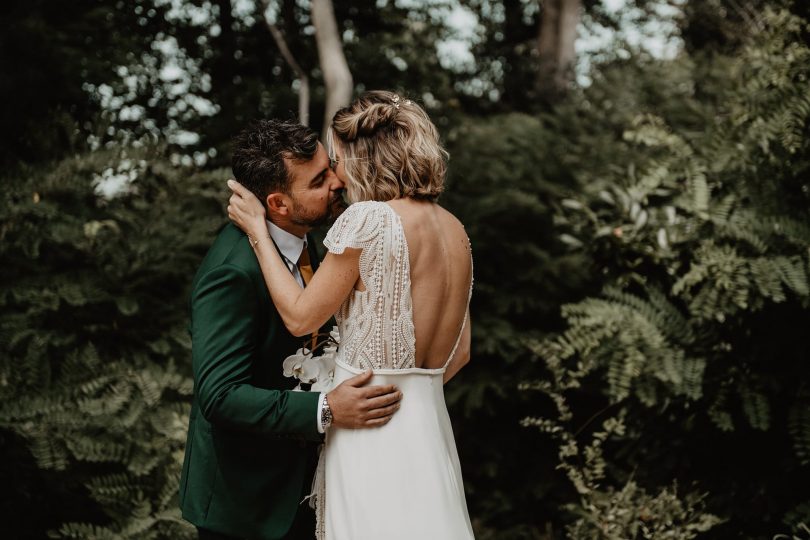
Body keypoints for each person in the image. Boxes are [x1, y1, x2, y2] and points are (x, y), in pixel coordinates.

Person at [226, 91, 475, 539]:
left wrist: (257, 231)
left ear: (362, 160)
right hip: (429, 427)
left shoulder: (369, 219)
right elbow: (459, 356)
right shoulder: (454, 228)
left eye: (337, 160)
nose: (337, 175)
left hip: (370, 427)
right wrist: (410, 397)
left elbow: (301, 318)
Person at [180, 119, 403, 540]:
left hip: (308, 490)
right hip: (248, 505)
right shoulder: (232, 272)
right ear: (279, 204)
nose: (338, 181)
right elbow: (220, 396)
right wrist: (327, 409)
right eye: (319, 180)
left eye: (329, 166)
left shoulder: (310, 242)